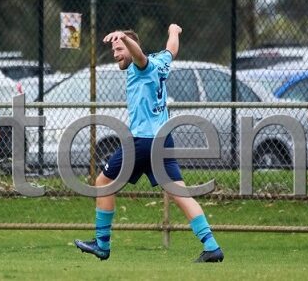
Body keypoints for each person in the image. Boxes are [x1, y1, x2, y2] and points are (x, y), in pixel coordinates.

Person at [74, 24, 224, 263]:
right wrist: (174, 32)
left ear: (132, 48)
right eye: (114, 50)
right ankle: (211, 246)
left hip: (143, 141)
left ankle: (102, 244)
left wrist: (125, 38)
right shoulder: (160, 61)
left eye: (119, 48)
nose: (116, 54)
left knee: (103, 181)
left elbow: (139, 56)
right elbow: (171, 50)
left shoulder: (140, 64)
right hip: (162, 139)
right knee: (179, 193)